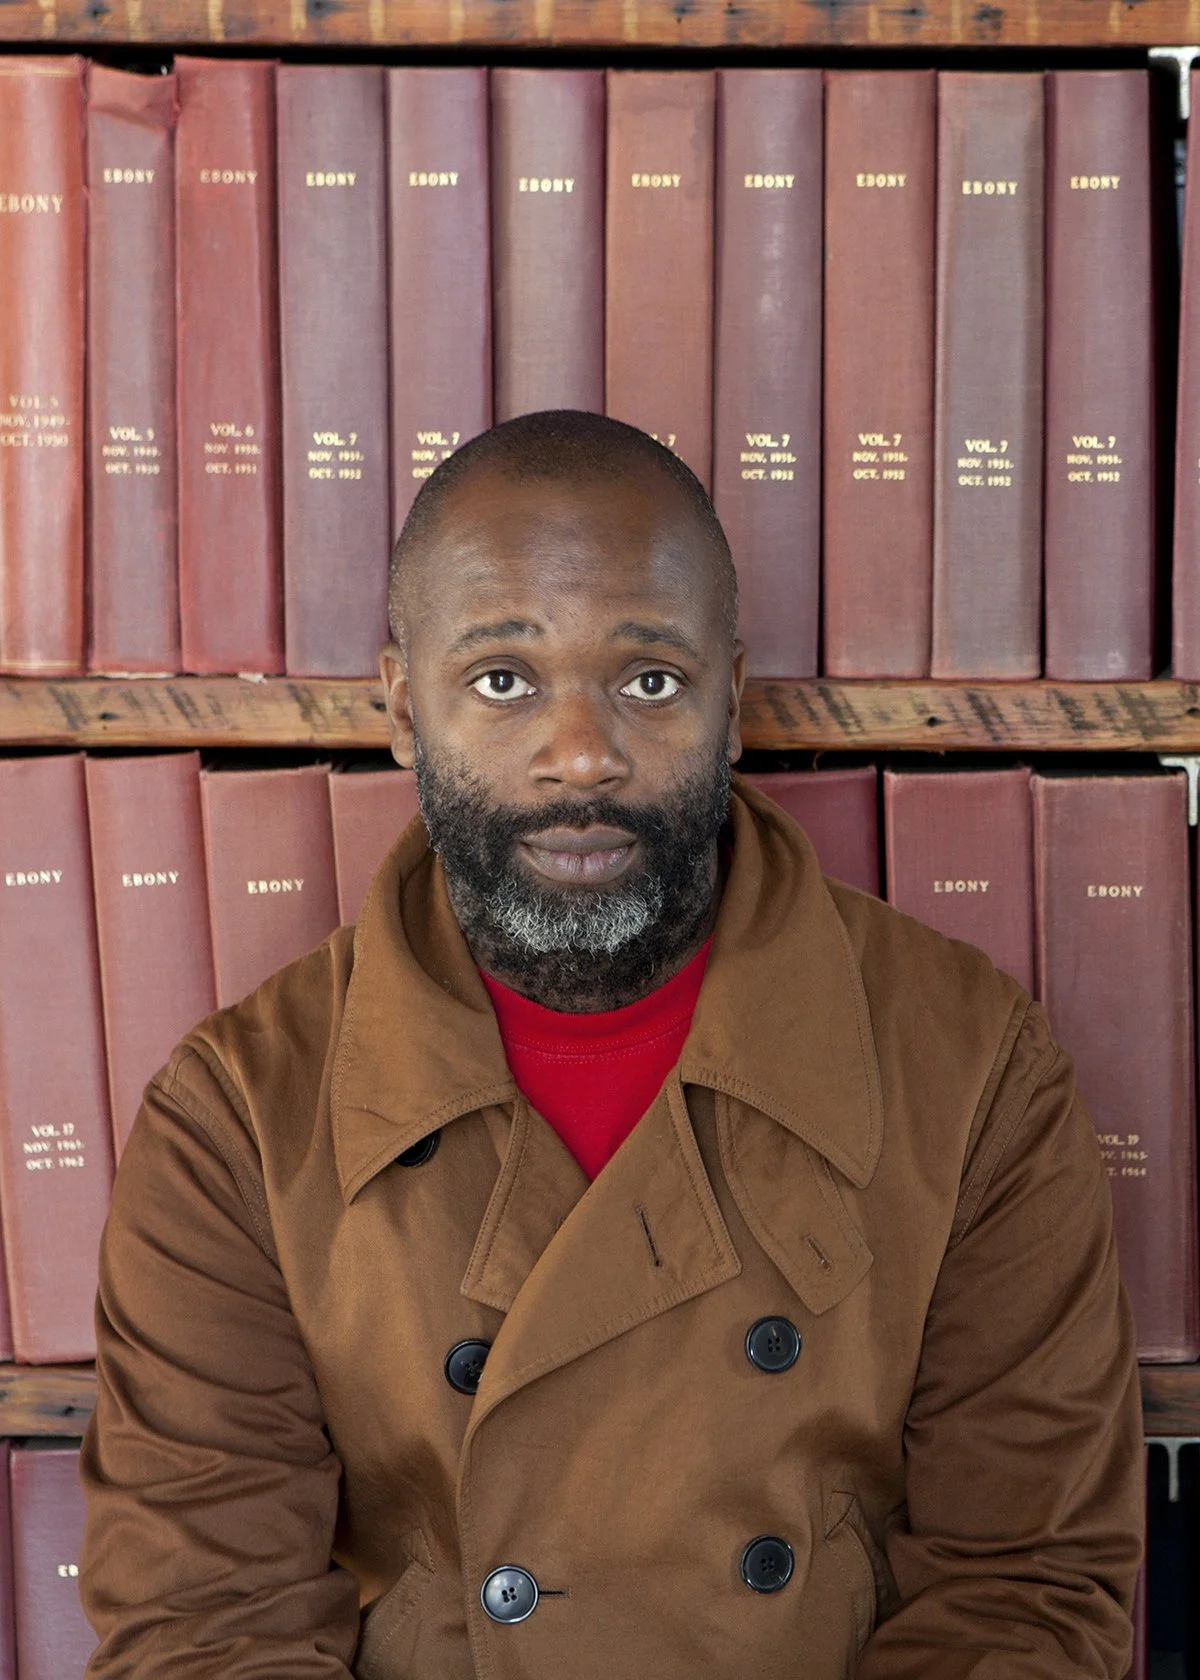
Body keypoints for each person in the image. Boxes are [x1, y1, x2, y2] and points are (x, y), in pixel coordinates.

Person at [80, 410, 1142, 1678]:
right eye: (502, 679)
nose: (581, 753)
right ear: (400, 711)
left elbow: (1026, 1592)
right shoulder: (237, 1118)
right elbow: (204, 1629)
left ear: (732, 703)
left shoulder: (975, 1069)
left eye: (648, 680)